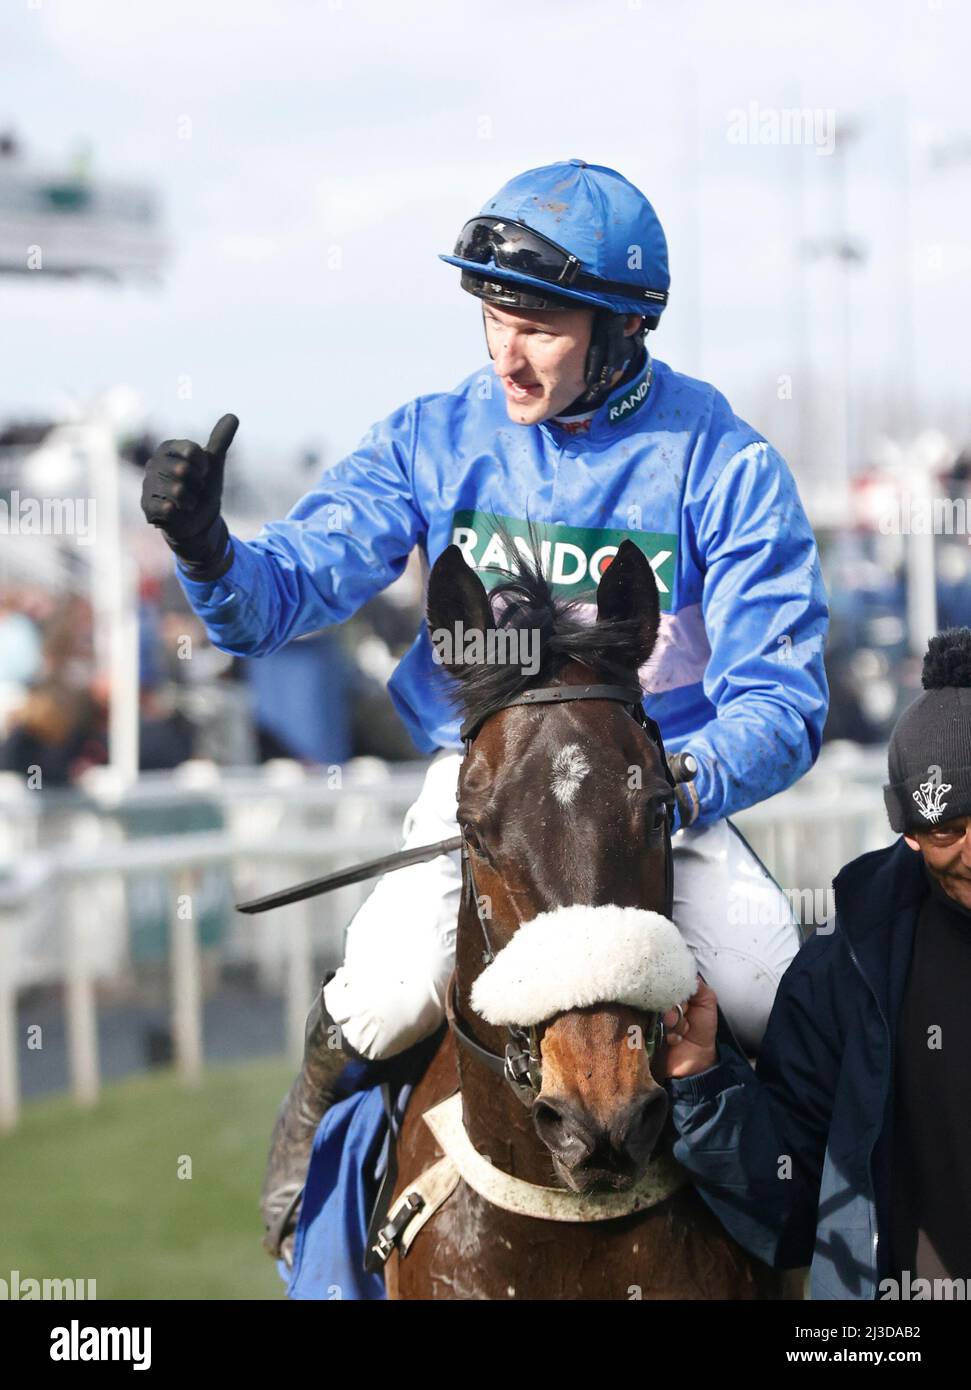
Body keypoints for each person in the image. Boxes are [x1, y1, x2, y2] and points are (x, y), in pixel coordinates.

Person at [140, 159, 829, 1264]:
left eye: (540, 326)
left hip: (660, 800)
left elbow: (782, 699)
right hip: (488, 792)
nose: (506, 351)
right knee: (379, 994)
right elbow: (285, 596)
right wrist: (207, 550)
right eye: (492, 317)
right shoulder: (430, 436)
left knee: (783, 994)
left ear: (618, 329)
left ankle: (844, 1255)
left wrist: (672, 783)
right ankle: (312, 1177)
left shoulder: (723, 462)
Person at [663, 627, 971, 1300]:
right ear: (909, 832)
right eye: (947, 828)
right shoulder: (840, 971)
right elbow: (791, 1207)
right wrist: (703, 1083)